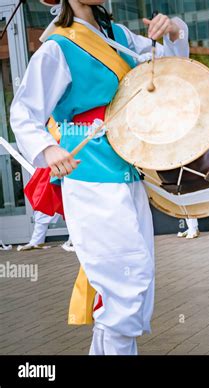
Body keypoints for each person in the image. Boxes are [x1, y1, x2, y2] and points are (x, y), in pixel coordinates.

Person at [10, 0, 189, 355]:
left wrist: (172, 30)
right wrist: (48, 150)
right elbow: (24, 112)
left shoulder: (117, 34)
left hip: (128, 165)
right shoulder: (56, 47)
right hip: (88, 173)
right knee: (127, 281)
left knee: (135, 281)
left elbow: (169, 67)